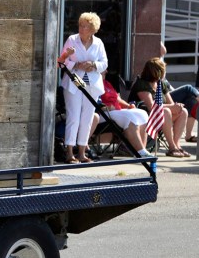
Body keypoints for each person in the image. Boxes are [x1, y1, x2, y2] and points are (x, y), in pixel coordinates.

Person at [60, 12, 108, 163]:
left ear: (93, 29)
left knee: (87, 118)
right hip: (74, 82)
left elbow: (104, 63)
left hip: (91, 84)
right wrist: (76, 64)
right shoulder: (72, 40)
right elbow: (62, 60)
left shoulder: (98, 43)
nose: (82, 28)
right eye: (81, 25)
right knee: (73, 116)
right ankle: (69, 153)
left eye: (86, 26)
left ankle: (82, 152)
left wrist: (93, 65)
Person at [129, 57, 189, 157]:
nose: (165, 72)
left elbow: (171, 103)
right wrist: (171, 107)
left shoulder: (161, 83)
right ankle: (171, 147)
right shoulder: (142, 83)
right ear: (156, 72)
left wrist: (176, 107)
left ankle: (176, 145)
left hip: (160, 118)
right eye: (163, 70)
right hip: (146, 119)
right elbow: (151, 106)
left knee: (183, 112)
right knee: (165, 111)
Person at [96, 70, 148, 157]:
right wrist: (105, 108)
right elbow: (94, 103)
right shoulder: (94, 84)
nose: (107, 71)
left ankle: (140, 149)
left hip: (116, 112)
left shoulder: (107, 83)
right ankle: (140, 151)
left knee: (142, 114)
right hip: (104, 113)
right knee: (129, 117)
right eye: (104, 69)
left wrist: (128, 106)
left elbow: (118, 99)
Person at [159, 43, 199, 142]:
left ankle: (188, 136)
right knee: (188, 89)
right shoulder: (152, 64)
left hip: (167, 94)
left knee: (191, 100)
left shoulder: (159, 64)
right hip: (162, 99)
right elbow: (163, 50)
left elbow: (168, 87)